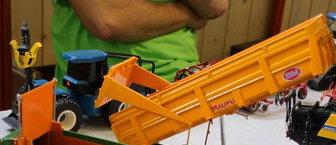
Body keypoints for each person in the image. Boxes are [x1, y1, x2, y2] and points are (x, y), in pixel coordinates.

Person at [51, 0, 228, 83]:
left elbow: (215, 5)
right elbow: (108, 21)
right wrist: (186, 15)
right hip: (96, 90)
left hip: (180, 80)